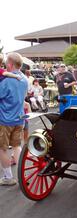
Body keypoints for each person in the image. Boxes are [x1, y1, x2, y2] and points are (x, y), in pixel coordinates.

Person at [0, 52, 28, 185]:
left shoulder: (7, 81)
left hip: (5, 120)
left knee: (2, 148)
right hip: (19, 118)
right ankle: (22, 176)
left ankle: (8, 178)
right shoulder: (24, 78)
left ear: (10, 64)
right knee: (17, 146)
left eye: (6, 63)